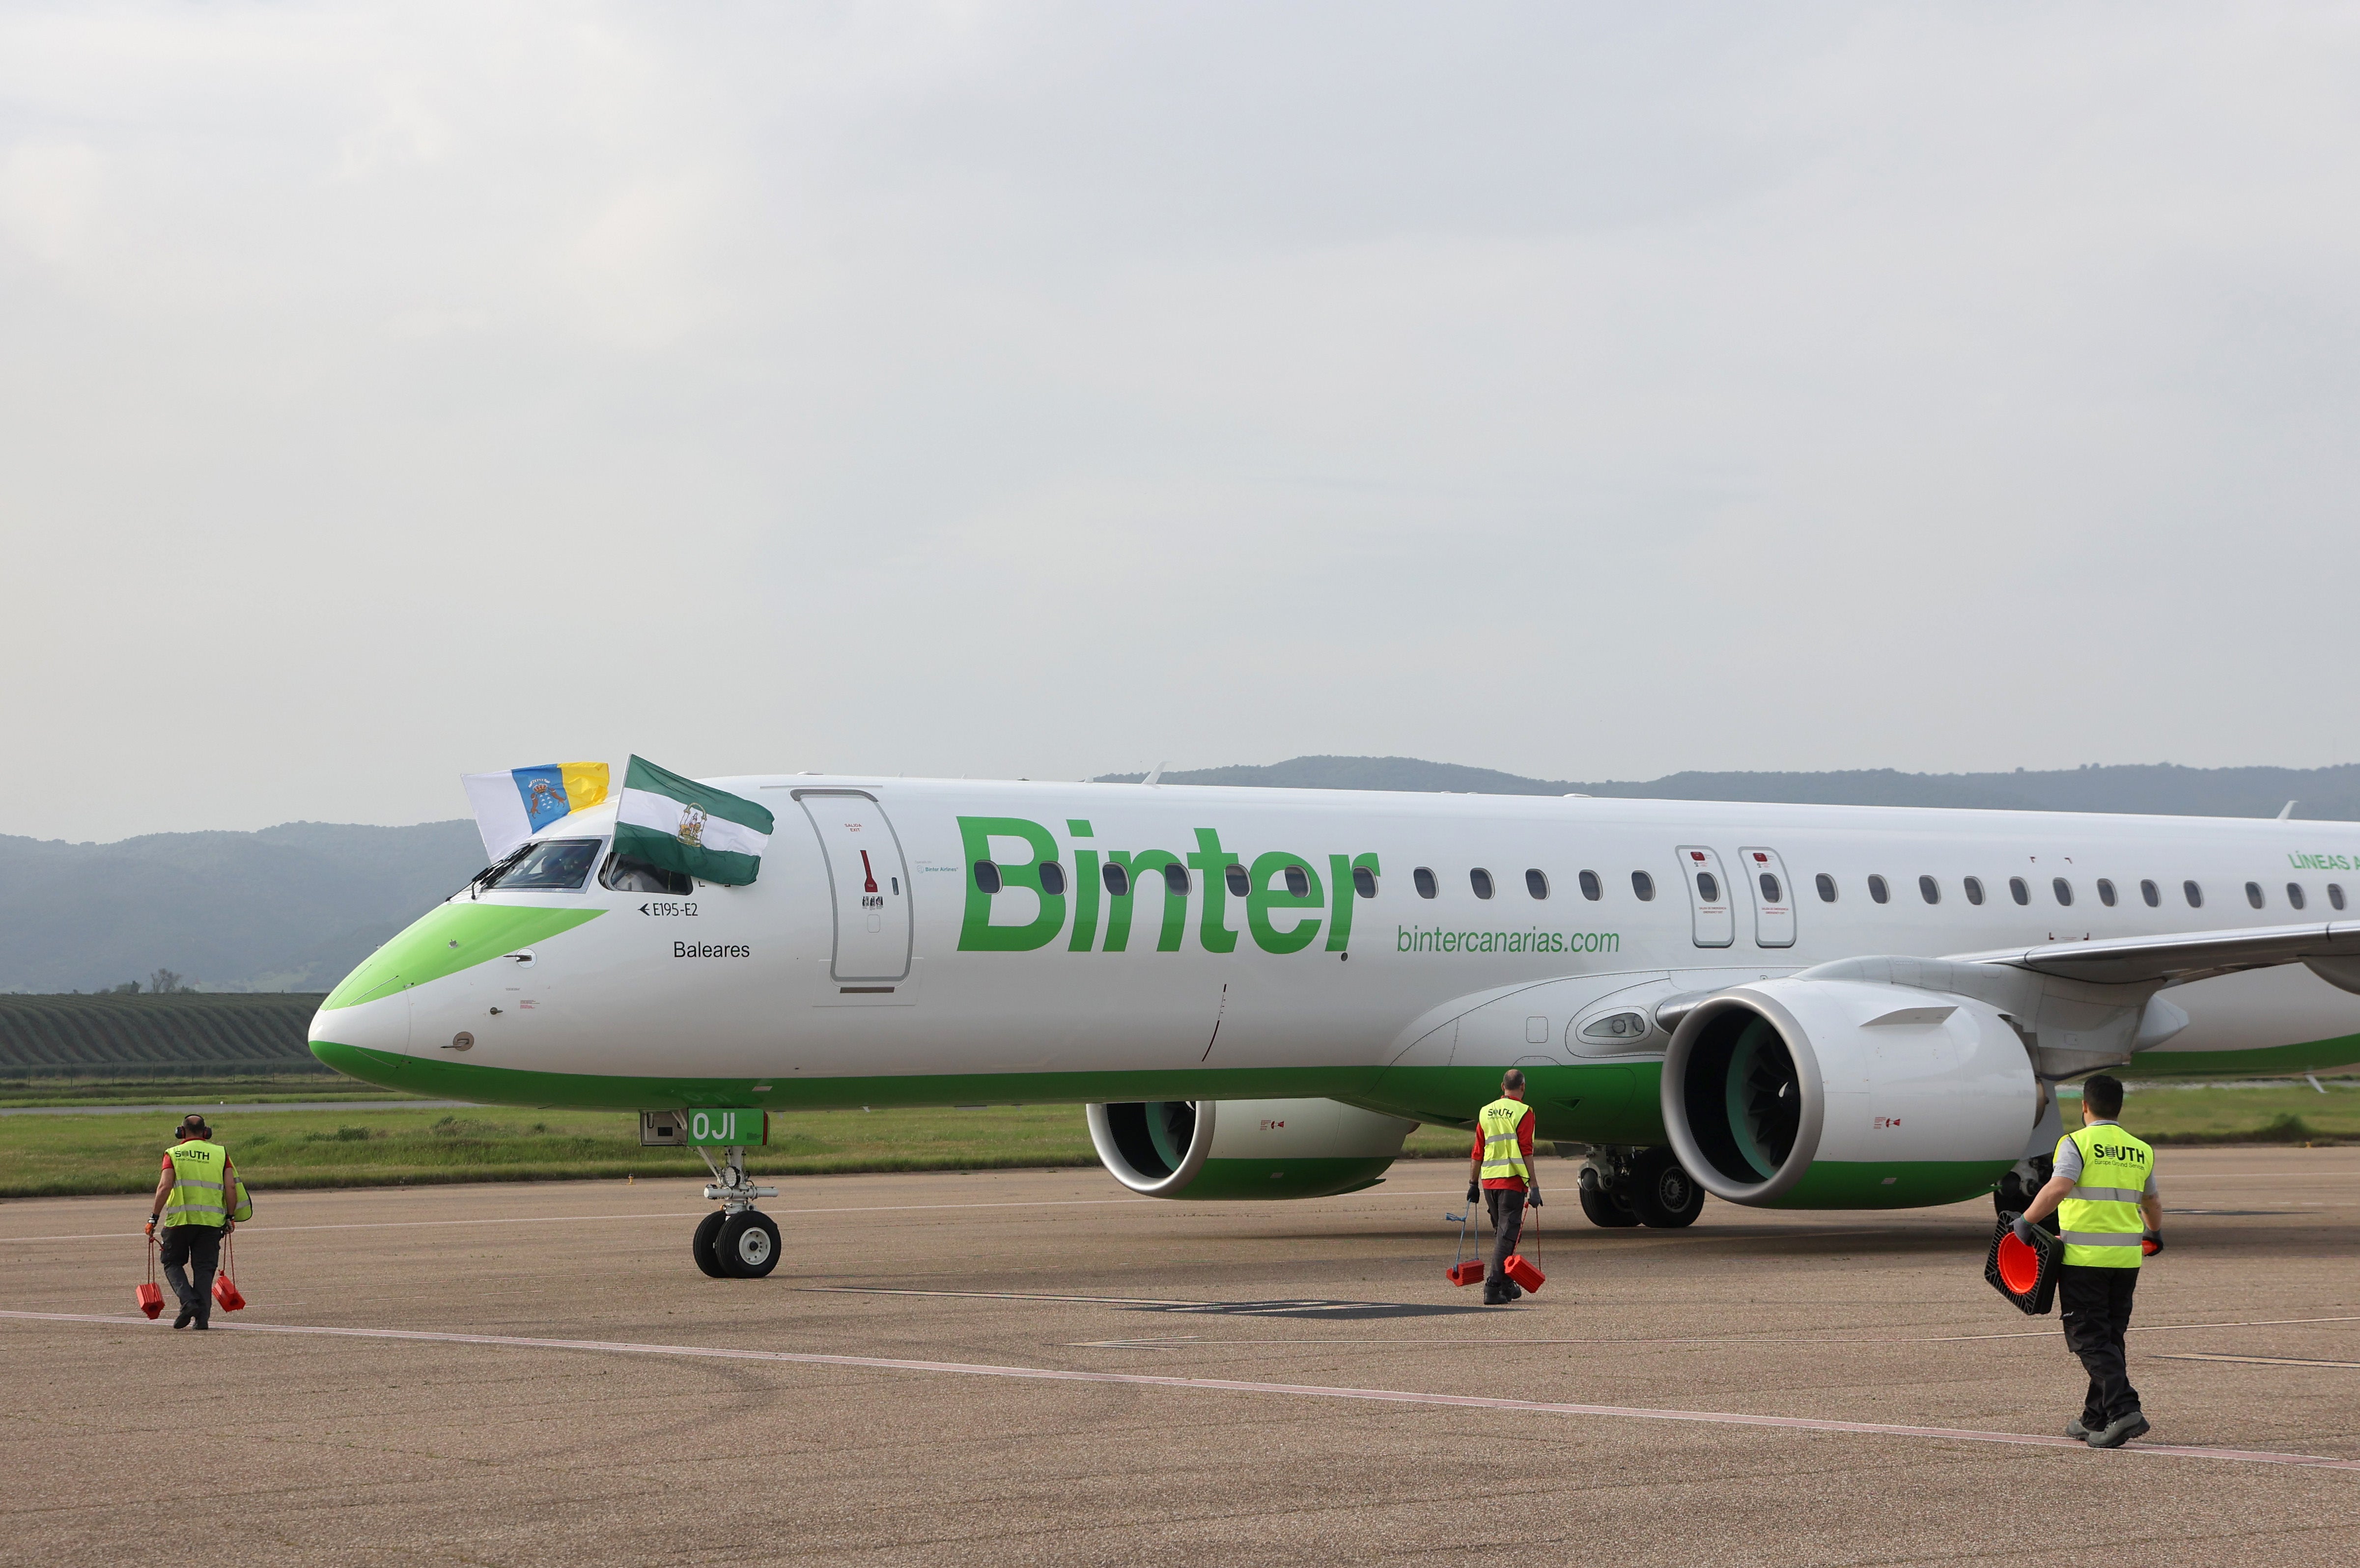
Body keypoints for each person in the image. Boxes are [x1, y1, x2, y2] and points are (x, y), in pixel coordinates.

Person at [2012, 1073, 2162, 1449]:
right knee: (2110, 1337)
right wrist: (2154, 1234)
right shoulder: (2139, 1148)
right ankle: (2094, 1417)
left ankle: (2124, 1409)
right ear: (2119, 1107)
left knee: (2089, 1339)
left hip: (2085, 1260)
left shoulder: (2076, 1143)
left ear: (2085, 1107)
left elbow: (2059, 1187)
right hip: (2126, 1261)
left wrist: (2026, 1221)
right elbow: (2152, 1203)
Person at [147, 1114, 238, 1330]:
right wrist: (230, 1217)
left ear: (181, 1131)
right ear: (206, 1132)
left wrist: (154, 1217)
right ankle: (202, 1320)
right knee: (204, 1269)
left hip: (179, 1221)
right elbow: (231, 1187)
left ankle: (188, 1302)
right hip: (211, 1223)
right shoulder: (220, 1153)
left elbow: (164, 1187)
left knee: (172, 1263)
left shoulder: (174, 1153)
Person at [1466, 1069, 1542, 1305]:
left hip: (1489, 1181)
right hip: (1511, 1180)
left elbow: (1478, 1151)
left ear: (1502, 1087)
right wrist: (1535, 1186)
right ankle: (1493, 1287)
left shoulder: (1485, 1112)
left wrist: (1472, 1184)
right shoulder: (1524, 1112)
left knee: (1503, 1234)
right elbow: (1526, 1151)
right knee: (1507, 1236)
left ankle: (1508, 1285)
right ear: (1523, 1087)